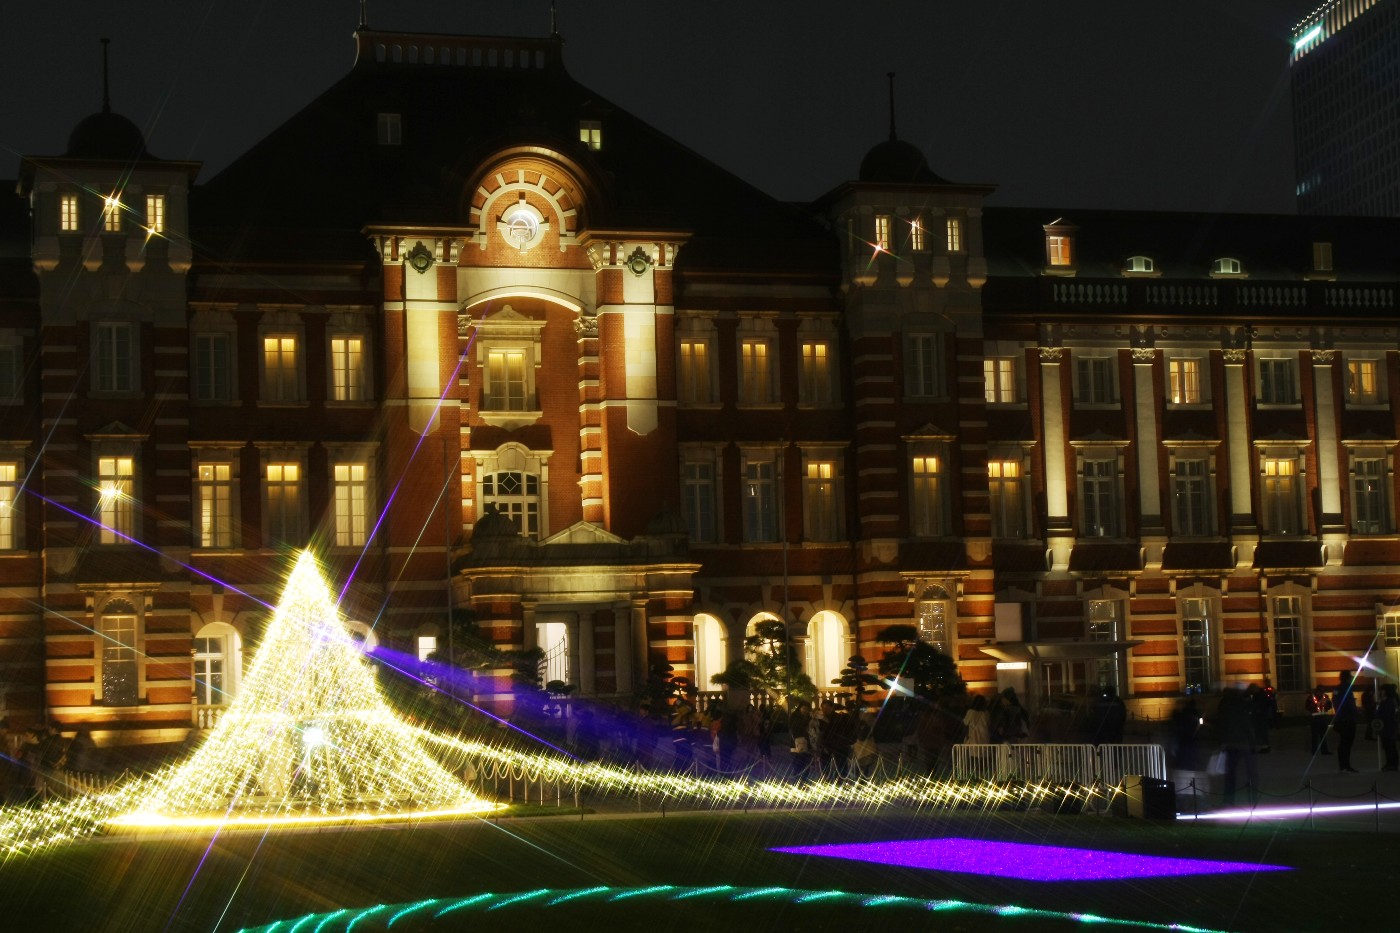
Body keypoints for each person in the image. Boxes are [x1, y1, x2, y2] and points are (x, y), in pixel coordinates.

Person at [1216, 686, 1259, 806]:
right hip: (1244, 743)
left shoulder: (1225, 705)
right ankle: (1253, 798)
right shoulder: (1243, 704)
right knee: (1251, 773)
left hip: (1231, 744)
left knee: (1230, 774)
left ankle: (1229, 800)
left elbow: (1221, 724)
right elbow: (1249, 724)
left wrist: (1222, 741)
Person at [1332, 671, 1360, 773]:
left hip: (1341, 719)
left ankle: (1343, 765)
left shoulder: (1337, 688)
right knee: (1346, 743)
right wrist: (1354, 713)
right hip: (1347, 719)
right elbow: (1349, 704)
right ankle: (1345, 765)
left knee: (1343, 743)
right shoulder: (1346, 688)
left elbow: (1335, 702)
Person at [1376, 683, 1398, 772]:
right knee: (1391, 746)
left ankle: (1391, 764)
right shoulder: (1392, 701)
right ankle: (1393, 764)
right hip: (1390, 726)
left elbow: (1384, 714)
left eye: (1382, 690)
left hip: (1387, 726)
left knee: (1389, 746)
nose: (1381, 692)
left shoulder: (1387, 702)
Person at [1306, 685, 1332, 755]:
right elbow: (1307, 706)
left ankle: (1324, 750)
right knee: (1315, 736)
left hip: (1323, 717)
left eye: (1322, 691)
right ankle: (1314, 751)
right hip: (1315, 718)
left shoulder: (1325, 697)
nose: (1321, 692)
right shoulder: (1311, 697)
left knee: (1323, 735)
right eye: (1320, 691)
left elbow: (1330, 705)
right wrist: (1316, 707)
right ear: (1317, 691)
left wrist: (1327, 705)